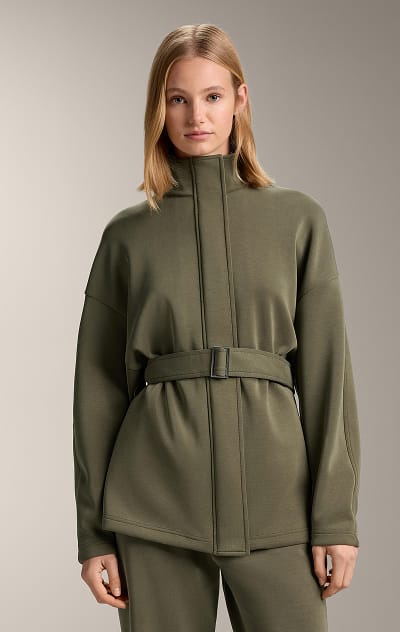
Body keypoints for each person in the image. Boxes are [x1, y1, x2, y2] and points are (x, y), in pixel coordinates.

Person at [72, 23, 361, 632]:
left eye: (212, 96)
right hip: (152, 505)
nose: (196, 115)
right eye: (178, 98)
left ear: (240, 100)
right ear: (159, 107)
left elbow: (328, 377)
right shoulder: (127, 236)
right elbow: (97, 393)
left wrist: (335, 517)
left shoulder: (299, 220)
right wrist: (94, 534)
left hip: (280, 502)